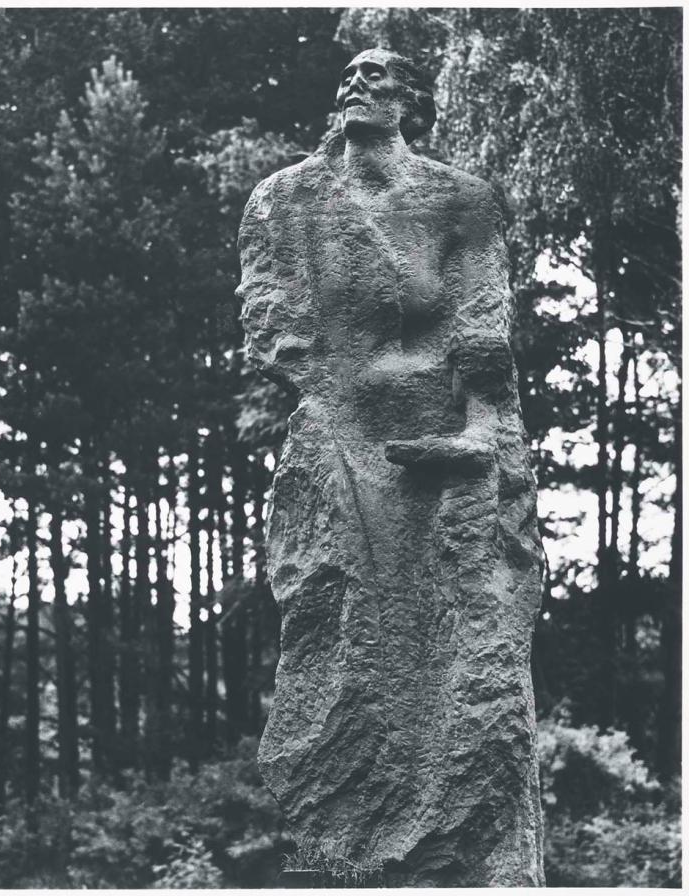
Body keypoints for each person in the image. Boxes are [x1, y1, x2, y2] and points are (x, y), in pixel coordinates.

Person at [237, 49, 544, 886]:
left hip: (450, 459)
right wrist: (335, 431)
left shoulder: (461, 200)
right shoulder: (287, 199)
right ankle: (353, 834)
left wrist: (478, 437)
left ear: (413, 100)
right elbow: (276, 328)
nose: (356, 84)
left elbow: (487, 337)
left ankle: (453, 836)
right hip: (339, 445)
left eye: (379, 76)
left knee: (464, 652)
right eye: (350, 74)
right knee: (339, 636)